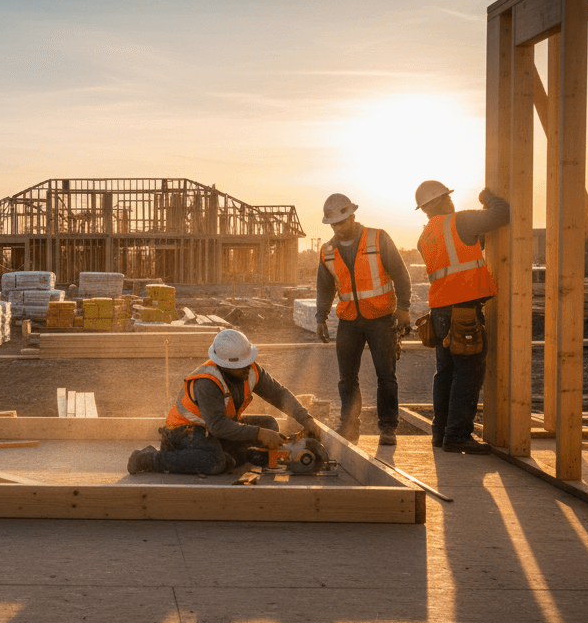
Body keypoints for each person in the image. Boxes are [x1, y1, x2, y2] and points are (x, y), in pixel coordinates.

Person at [128, 329, 323, 475]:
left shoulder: (251, 370)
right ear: (224, 365)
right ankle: (149, 459)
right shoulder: (207, 382)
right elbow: (218, 426)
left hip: (212, 430)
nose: (247, 368)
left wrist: (305, 419)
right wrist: (259, 433)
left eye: (247, 362)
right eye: (240, 366)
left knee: (269, 424)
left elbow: (278, 394)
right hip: (183, 433)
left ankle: (233, 454)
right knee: (214, 462)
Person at [414, 180, 511, 454]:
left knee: (445, 374)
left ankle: (441, 433)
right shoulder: (461, 221)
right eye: (448, 197)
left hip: (439, 313)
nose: (452, 201)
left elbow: (456, 254)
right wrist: (488, 198)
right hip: (463, 311)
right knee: (468, 372)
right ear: (443, 199)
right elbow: (502, 214)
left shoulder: (425, 237)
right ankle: (457, 435)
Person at [314, 193, 412, 446]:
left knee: (386, 376)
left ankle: (388, 428)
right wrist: (320, 318)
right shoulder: (327, 251)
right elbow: (324, 288)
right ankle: (349, 426)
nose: (337, 228)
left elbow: (400, 274)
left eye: (341, 222)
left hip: (381, 317)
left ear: (353, 216)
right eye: (333, 224)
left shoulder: (378, 238)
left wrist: (404, 308)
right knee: (346, 378)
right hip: (349, 320)